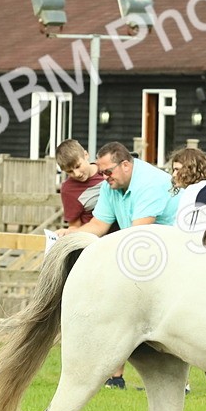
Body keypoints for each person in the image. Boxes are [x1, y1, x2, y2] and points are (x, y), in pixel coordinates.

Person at [75, 141, 179, 390]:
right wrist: (69, 236)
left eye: (107, 172)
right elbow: (99, 226)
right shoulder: (111, 186)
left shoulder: (151, 183)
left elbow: (137, 234)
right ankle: (115, 377)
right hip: (147, 253)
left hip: (174, 256)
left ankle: (175, 381)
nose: (103, 177)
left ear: (125, 165)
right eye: (100, 172)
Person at [55, 139, 105, 237]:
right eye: (69, 171)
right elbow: (74, 226)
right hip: (92, 239)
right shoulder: (68, 189)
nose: (76, 174)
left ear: (86, 155)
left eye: (78, 166)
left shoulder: (106, 170)